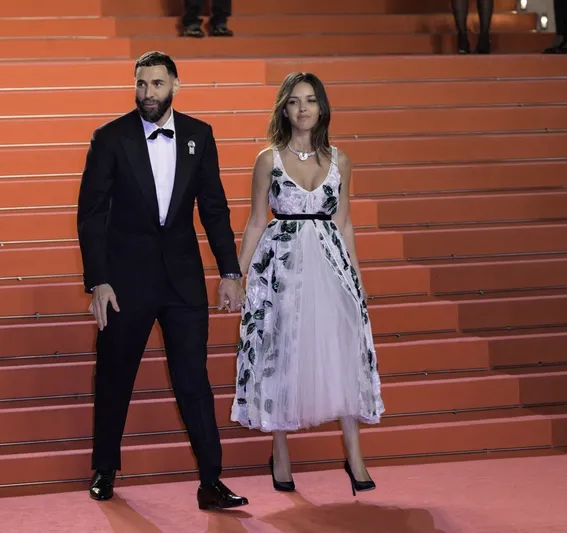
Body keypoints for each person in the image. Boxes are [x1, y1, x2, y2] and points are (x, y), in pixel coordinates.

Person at [76, 50, 249, 511]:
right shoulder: (109, 138)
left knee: (194, 379)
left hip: (182, 281)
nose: (147, 93)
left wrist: (230, 271)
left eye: (156, 84)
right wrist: (99, 282)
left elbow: (213, 208)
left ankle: (211, 481)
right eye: (140, 84)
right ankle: (104, 469)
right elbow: (90, 216)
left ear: (175, 84)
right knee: (115, 376)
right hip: (125, 282)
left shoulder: (199, 135)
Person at [229, 72, 385, 495]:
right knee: (282, 352)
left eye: (311, 101)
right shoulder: (269, 159)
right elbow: (257, 221)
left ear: (322, 108)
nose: (303, 108)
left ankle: (355, 458)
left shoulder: (341, 160)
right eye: (295, 101)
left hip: (331, 264)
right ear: (284, 109)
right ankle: (280, 452)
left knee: (340, 351)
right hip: (280, 267)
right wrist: (234, 275)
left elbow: (344, 223)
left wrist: (357, 276)